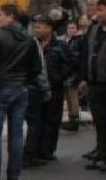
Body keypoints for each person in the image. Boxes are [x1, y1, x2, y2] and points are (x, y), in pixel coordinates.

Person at [0, 4, 43, 180]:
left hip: (0, 88)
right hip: (20, 88)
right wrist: (24, 81)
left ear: (10, 17)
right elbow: (36, 67)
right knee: (16, 133)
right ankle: (13, 174)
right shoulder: (29, 40)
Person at [23, 14, 75, 164]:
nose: (36, 30)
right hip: (35, 88)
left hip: (55, 87)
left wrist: (59, 77)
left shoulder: (60, 46)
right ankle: (34, 151)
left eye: (39, 27)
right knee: (35, 120)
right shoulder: (31, 44)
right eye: (34, 27)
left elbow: (71, 64)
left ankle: (47, 150)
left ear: (49, 28)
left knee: (52, 120)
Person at [79, 0, 106, 171]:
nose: (97, 14)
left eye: (101, 10)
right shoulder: (95, 29)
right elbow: (87, 53)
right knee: (100, 120)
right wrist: (84, 78)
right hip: (95, 82)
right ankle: (102, 154)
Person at [63, 18, 87, 131]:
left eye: (73, 28)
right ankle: (71, 117)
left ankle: (75, 119)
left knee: (73, 96)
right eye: (69, 28)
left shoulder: (78, 40)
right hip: (67, 72)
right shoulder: (68, 40)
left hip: (75, 72)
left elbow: (78, 57)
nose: (70, 30)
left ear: (76, 29)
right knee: (68, 96)